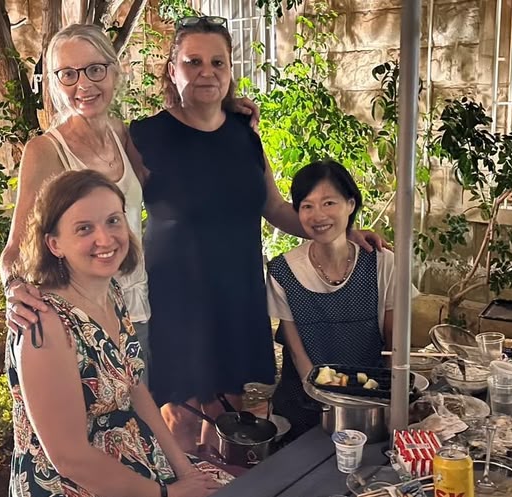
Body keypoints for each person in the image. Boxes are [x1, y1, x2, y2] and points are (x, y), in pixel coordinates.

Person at [127, 16, 386, 452]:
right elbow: (118, 214)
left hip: (238, 291)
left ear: (230, 70)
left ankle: (218, 479)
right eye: (193, 62)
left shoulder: (244, 135)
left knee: (231, 411)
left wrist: (344, 230)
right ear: (172, 69)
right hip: (177, 298)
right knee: (182, 416)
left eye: (218, 62)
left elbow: (276, 208)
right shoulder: (144, 136)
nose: (206, 72)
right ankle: (183, 480)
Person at [0, 24, 260, 383]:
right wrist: (14, 289)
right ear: (55, 83)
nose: (84, 85)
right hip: (77, 316)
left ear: (114, 70)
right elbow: (15, 249)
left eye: (95, 69)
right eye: (68, 74)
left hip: (135, 308)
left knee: (143, 411)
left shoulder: (124, 135)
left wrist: (224, 109)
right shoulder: (44, 150)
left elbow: (184, 145)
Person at [7, 169, 230, 497]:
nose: (105, 239)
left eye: (113, 221)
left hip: (130, 456)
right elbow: (69, 459)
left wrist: (185, 469)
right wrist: (168, 494)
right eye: (84, 228)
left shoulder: (110, 292)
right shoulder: (44, 323)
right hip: (71, 484)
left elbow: (135, 388)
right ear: (54, 244)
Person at [266, 159, 403, 439]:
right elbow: (298, 355)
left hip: (369, 406)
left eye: (329, 203)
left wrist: (389, 401)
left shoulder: (381, 263)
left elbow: (394, 343)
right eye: (307, 206)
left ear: (350, 205)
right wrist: (326, 401)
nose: (318, 215)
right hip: (304, 406)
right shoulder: (283, 271)